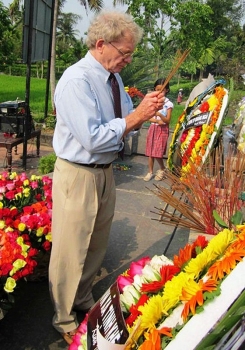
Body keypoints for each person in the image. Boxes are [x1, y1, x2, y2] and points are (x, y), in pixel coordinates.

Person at [48, 10, 164, 345]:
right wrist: (134, 118)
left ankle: (82, 298)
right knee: (71, 247)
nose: (128, 59)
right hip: (78, 173)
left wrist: (146, 114)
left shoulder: (112, 81)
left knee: (96, 242)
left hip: (103, 173)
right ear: (101, 44)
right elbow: (94, 138)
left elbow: (127, 121)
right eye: (124, 52)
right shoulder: (77, 81)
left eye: (131, 54)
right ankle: (63, 315)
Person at [144, 78, 173, 181]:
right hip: (153, 127)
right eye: (157, 90)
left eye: (162, 90)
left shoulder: (168, 104)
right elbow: (148, 117)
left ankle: (162, 169)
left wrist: (160, 114)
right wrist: (156, 121)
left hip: (162, 129)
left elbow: (168, 120)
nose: (160, 92)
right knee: (150, 151)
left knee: (158, 151)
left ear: (167, 90)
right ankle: (150, 171)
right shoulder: (153, 102)